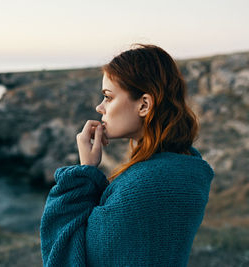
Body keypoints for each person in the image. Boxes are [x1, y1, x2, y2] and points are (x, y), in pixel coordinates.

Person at [40, 44, 214, 266]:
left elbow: (65, 258)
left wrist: (83, 175)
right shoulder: (187, 167)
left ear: (144, 105)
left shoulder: (141, 188)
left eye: (108, 97)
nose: (99, 107)